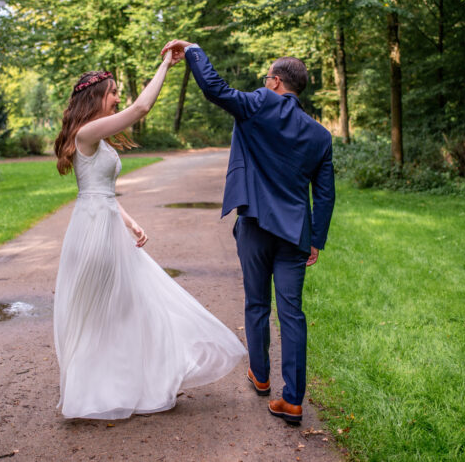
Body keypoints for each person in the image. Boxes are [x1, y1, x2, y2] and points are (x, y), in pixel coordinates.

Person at [52, 50, 246, 420]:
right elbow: (141, 108)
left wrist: (129, 221)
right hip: (94, 233)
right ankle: (97, 391)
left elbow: (100, 191)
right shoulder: (87, 133)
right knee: (112, 308)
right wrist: (165, 65)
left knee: (123, 307)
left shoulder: (98, 139)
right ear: (96, 97)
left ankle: (122, 384)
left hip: (105, 223)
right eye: (112, 92)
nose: (117, 98)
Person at [161, 40, 335, 424]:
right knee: (292, 313)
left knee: (257, 303)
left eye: (266, 78)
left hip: (255, 224)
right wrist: (316, 240)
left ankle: (260, 376)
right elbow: (324, 195)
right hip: (294, 233)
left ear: (275, 82)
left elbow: (214, 89)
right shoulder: (320, 135)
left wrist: (193, 49)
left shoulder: (258, 104)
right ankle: (293, 400)